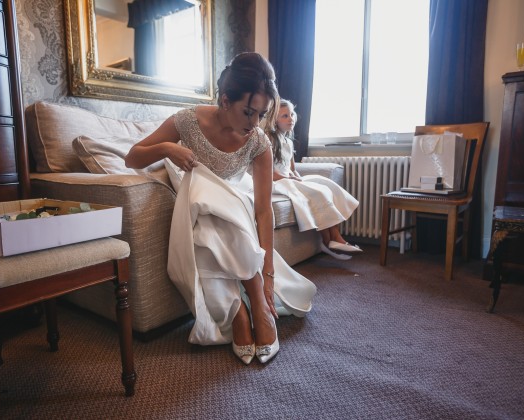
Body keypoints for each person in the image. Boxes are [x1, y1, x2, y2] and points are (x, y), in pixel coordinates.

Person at [125, 52, 316, 365]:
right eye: (248, 112)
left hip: (230, 205)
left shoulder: (258, 142)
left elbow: (264, 211)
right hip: (193, 199)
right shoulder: (187, 120)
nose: (255, 123)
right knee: (203, 188)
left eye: (261, 114)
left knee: (217, 224)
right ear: (225, 101)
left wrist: (268, 274)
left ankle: (248, 304)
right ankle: (248, 306)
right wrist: (167, 147)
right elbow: (132, 158)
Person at [266, 99, 362, 259]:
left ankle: (334, 237)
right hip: (275, 182)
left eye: (291, 114)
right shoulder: (269, 141)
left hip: (287, 178)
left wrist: (297, 178)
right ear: (274, 120)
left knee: (327, 187)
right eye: (284, 116)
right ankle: (330, 239)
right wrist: (291, 180)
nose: (290, 119)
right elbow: (269, 173)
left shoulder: (288, 141)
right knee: (316, 193)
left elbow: (292, 169)